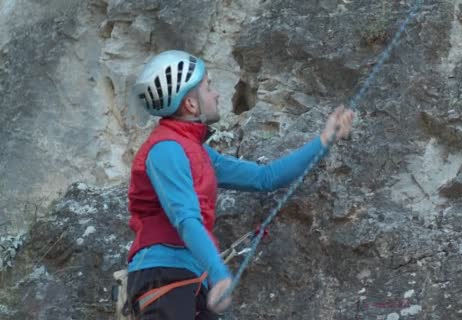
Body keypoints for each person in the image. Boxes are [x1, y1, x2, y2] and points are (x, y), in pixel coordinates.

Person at [125, 50, 354, 320]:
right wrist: (220, 273)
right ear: (191, 104)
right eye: (208, 87)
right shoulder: (166, 150)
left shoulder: (195, 151)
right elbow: (185, 219)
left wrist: (325, 139)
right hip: (163, 276)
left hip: (189, 277)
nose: (217, 94)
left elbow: (264, 178)